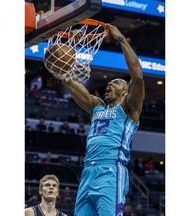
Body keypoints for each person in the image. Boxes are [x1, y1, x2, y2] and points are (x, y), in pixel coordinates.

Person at [55, 24, 145, 215]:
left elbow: (137, 75)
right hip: (89, 171)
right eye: (108, 84)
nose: (109, 86)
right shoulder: (96, 106)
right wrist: (70, 48)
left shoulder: (129, 107)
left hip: (111, 171)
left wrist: (120, 38)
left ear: (125, 92)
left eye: (114, 83)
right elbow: (67, 80)